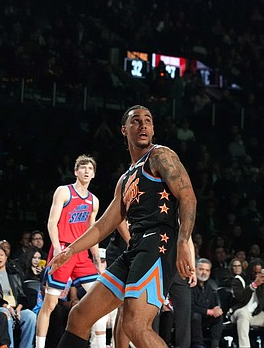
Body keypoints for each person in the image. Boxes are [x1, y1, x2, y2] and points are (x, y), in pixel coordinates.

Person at [49, 104, 197, 348]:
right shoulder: (126, 178)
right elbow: (104, 224)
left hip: (159, 243)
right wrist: (70, 250)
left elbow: (188, 197)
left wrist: (183, 242)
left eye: (148, 120)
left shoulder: (161, 156)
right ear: (123, 129)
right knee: (78, 317)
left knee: (134, 324)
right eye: (136, 120)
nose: (143, 125)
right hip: (135, 248)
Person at [37, 154, 106, 348]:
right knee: (50, 305)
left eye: (90, 169)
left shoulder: (94, 201)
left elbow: (93, 233)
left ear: (94, 174)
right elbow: (52, 222)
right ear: (76, 171)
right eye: (83, 167)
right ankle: (39, 345)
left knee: (100, 299)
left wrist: (98, 261)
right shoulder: (64, 192)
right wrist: (58, 248)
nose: (86, 171)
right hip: (64, 249)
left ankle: (98, 344)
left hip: (82, 254)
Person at [0, 244, 38, 348]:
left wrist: (19, 308)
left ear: (6, 258)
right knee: (5, 315)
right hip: (0, 308)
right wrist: (7, 306)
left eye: (1, 255)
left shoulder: (14, 274)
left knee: (31, 316)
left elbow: (22, 295)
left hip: (16, 307)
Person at [230, 260, 264, 348]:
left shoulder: (263, 284)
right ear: (250, 272)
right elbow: (240, 298)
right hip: (239, 314)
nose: (257, 275)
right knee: (244, 313)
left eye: (260, 273)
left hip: (255, 316)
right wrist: (254, 285)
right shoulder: (239, 280)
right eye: (255, 273)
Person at [190, 258, 224, 348]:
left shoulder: (210, 287)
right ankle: (198, 345)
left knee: (219, 317)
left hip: (205, 317)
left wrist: (217, 309)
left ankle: (215, 345)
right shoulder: (189, 285)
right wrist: (208, 311)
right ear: (195, 270)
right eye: (201, 269)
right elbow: (190, 306)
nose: (204, 272)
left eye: (207, 270)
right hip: (191, 317)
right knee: (196, 316)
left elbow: (213, 305)